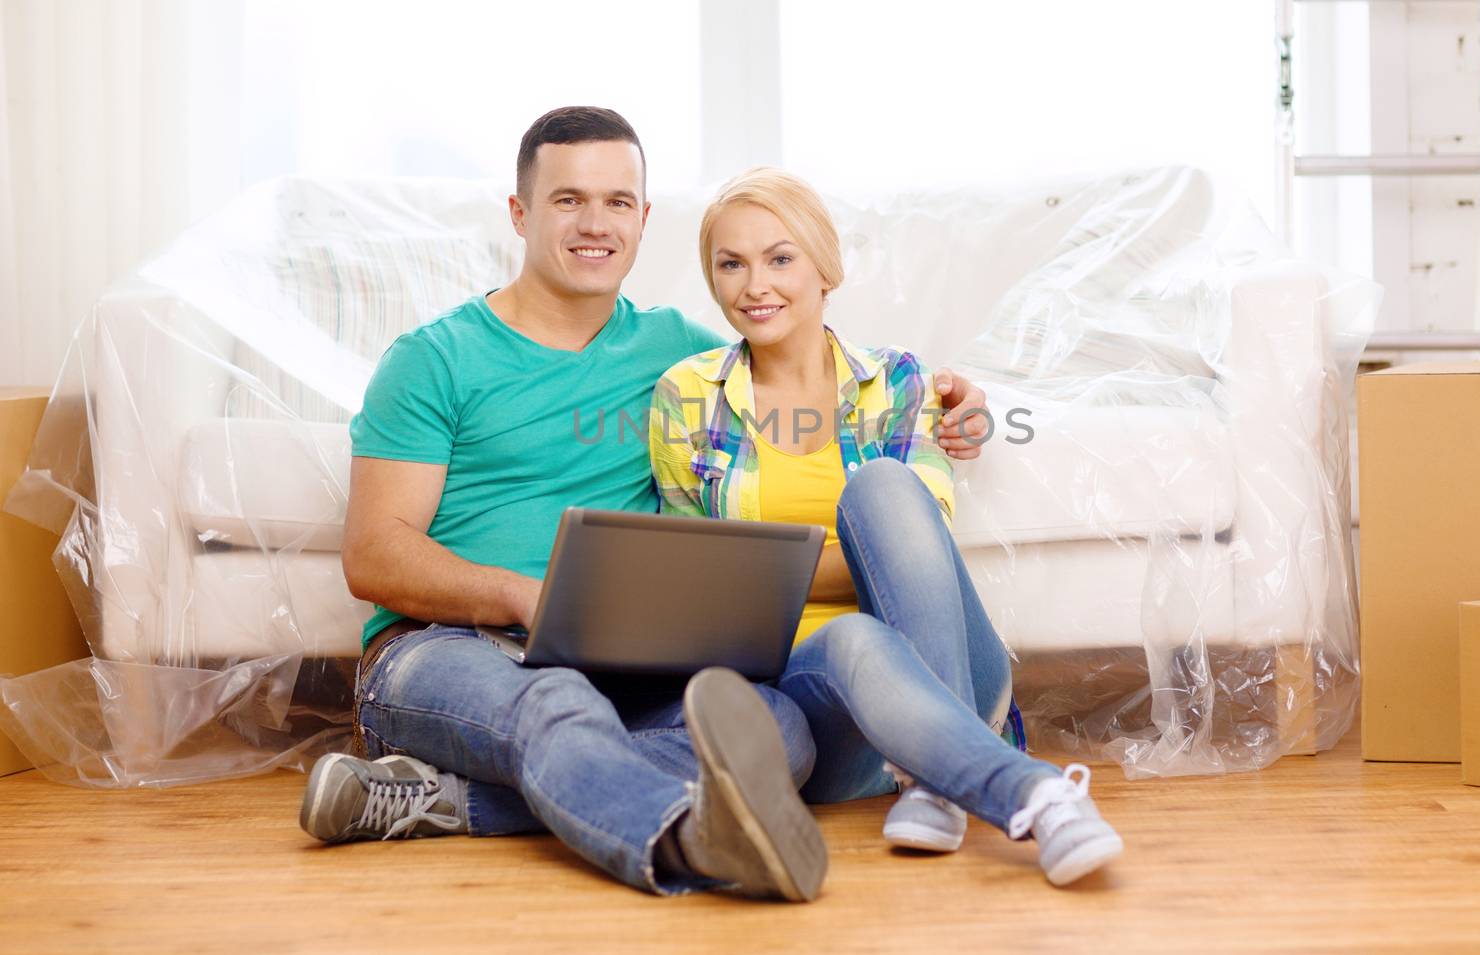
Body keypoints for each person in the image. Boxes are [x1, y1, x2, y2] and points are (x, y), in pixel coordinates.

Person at [297, 107, 993, 901]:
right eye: (568, 200)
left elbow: (806, 355)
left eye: (618, 202)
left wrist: (948, 402)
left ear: (644, 219)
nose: (596, 223)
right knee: (553, 701)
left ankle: (438, 801)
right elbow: (375, 554)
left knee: (778, 733)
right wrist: (524, 597)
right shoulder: (433, 359)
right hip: (447, 650)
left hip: (618, 664)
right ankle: (687, 835)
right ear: (520, 213)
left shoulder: (681, 357)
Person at [648, 167, 1124, 887]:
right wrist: (824, 570)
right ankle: (1023, 791)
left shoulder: (897, 381)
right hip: (817, 703)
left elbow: (911, 554)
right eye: (731, 263)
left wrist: (761, 571)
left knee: (883, 486)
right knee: (852, 636)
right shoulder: (686, 396)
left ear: (824, 269)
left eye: (780, 258)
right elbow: (695, 583)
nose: (755, 285)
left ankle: (936, 779)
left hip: (952, 668)